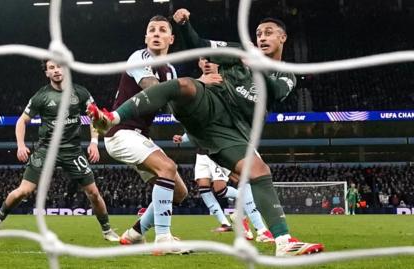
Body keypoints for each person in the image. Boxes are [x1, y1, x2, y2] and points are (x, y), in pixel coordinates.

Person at [88, 9, 324, 256]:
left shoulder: (286, 75)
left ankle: (283, 241)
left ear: (283, 38)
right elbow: (199, 46)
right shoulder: (238, 53)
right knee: (184, 87)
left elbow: (275, 91)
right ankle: (112, 118)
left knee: (257, 172)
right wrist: (186, 25)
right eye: (258, 34)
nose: (262, 38)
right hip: (209, 105)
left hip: (231, 131)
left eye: (268, 33)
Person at [0, 60, 120, 242]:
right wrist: (21, 145)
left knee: (94, 193)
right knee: (24, 191)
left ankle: (107, 231)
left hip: (72, 151)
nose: (57, 70)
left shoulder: (80, 92)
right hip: (46, 150)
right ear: (47, 73)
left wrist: (94, 142)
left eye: (59, 66)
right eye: (52, 68)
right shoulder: (41, 96)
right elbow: (21, 121)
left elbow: (94, 117)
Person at [100, 15, 189, 255]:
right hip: (120, 132)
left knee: (180, 193)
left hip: (140, 136)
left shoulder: (169, 69)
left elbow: (175, 107)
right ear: (146, 38)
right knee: (167, 168)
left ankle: (135, 234)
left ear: (171, 38)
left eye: (162, 30)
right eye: (152, 30)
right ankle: (163, 239)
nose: (157, 34)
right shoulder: (139, 57)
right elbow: (154, 89)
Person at [172, 57, 273, 243]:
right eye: (203, 60)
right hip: (203, 150)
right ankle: (236, 220)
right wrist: (184, 137)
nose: (207, 62)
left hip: (224, 143)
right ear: (199, 64)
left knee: (239, 181)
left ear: (220, 63)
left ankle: (259, 227)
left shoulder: (228, 83)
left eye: (212, 60)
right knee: (206, 187)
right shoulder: (195, 85)